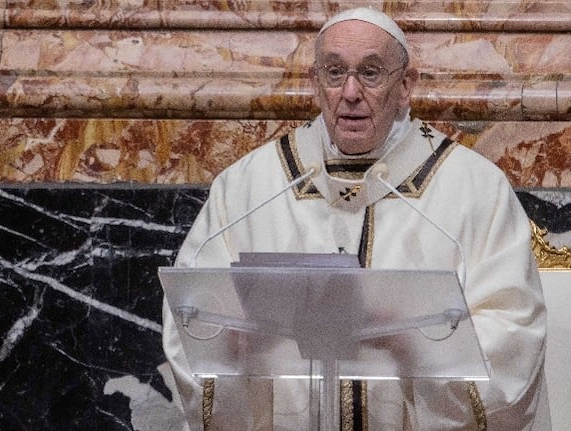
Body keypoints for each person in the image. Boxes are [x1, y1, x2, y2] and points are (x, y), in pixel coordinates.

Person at [162, 7, 549, 431]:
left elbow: (515, 331)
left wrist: (413, 342)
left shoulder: (475, 188)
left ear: (405, 86)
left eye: (371, 73)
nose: (349, 92)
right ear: (315, 83)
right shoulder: (248, 187)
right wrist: (236, 341)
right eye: (334, 73)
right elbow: (193, 319)